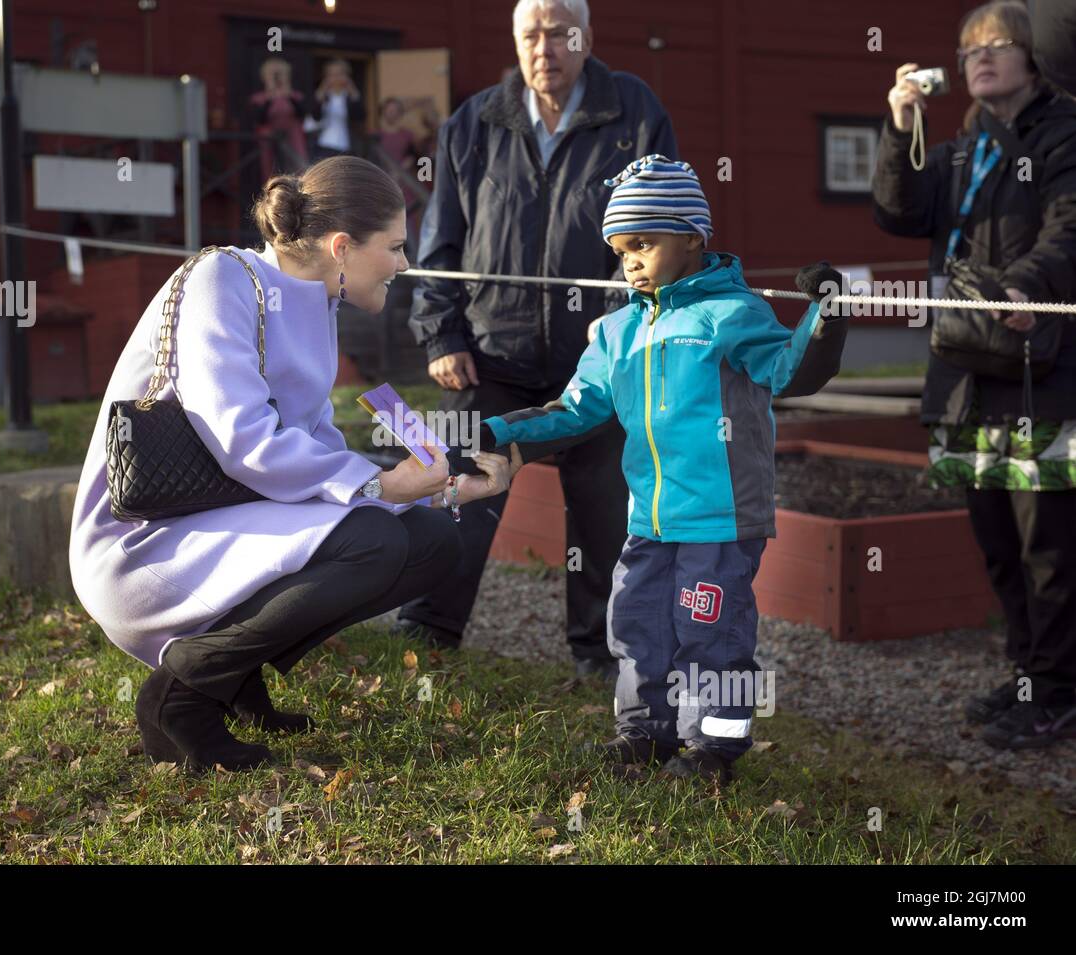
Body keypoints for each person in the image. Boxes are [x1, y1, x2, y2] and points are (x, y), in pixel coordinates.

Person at [68, 156, 519, 773]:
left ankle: (234, 674)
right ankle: (183, 696)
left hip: (231, 522)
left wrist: (446, 492)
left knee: (434, 542)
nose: (404, 264)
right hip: (149, 542)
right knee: (373, 542)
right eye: (393, 247)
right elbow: (243, 437)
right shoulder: (221, 280)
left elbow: (318, 455)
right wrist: (380, 483)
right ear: (341, 247)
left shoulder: (314, 303)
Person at [476, 156, 849, 782]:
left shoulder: (731, 314)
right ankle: (643, 734)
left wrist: (824, 310)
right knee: (636, 623)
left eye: (644, 243)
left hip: (722, 518)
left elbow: (794, 371)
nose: (630, 260)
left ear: (693, 239)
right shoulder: (617, 331)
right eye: (621, 248)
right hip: (649, 517)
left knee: (713, 634)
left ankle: (716, 748)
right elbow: (572, 410)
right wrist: (491, 434)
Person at [397, 0, 680, 682]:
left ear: (586, 38)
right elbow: (440, 245)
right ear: (516, 42)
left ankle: (601, 655)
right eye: (531, 33)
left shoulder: (634, 114)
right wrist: (441, 332)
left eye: (559, 32)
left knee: (607, 510)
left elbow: (658, 232)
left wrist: (622, 320)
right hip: (488, 352)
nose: (544, 47)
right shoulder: (474, 122)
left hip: (598, 359)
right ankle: (428, 630)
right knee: (460, 484)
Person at [872, 0, 1076, 749]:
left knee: (1048, 545)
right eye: (969, 50)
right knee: (994, 534)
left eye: (998, 45)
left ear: (1033, 58)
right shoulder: (959, 145)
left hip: (1040, 366)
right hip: (963, 366)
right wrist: (900, 129)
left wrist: (1024, 288)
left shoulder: (1064, 132)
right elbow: (899, 213)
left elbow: (1070, 225)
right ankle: (1028, 674)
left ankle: (1057, 690)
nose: (980, 58)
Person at [309, 59, 366, 160]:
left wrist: (353, 93)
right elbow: (315, 117)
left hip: (346, 145)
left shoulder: (351, 97)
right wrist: (320, 95)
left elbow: (360, 117)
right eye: (332, 74)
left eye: (339, 74)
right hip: (325, 144)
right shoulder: (323, 96)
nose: (336, 78)